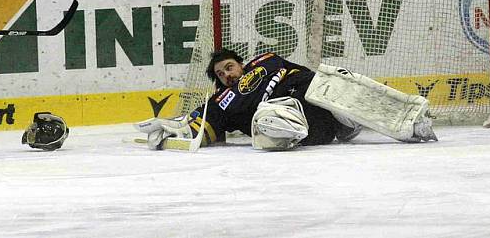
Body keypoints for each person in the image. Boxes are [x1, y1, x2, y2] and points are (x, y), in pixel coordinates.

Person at [136, 48, 438, 151]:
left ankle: (410, 120)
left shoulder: (264, 61)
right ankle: (341, 123)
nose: (227, 73)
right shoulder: (219, 103)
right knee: (268, 118)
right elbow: (200, 129)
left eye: (230, 66)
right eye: (220, 73)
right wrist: (174, 132)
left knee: (332, 80)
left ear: (241, 64)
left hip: (316, 99)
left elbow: (301, 75)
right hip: (302, 128)